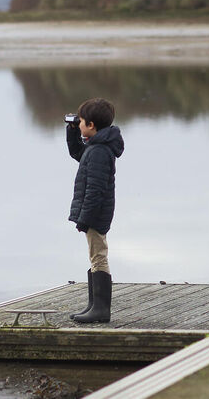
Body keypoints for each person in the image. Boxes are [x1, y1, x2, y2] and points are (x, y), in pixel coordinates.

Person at [65, 97, 124, 323]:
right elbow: (79, 155)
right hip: (95, 213)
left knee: (98, 258)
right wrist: (72, 132)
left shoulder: (99, 151)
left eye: (80, 122)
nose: (78, 124)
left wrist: (84, 218)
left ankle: (100, 310)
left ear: (91, 125)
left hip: (96, 214)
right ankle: (94, 305)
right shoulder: (97, 147)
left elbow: (96, 190)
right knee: (94, 257)